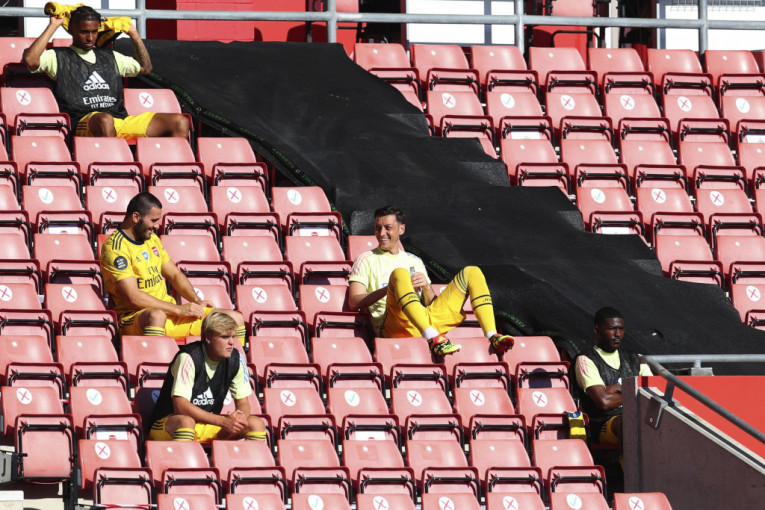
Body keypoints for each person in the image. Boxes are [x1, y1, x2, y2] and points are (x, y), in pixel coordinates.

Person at [349, 205, 515, 356]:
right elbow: (354, 302)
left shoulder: (415, 261)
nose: (381, 233)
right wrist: (391, 288)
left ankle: (492, 335)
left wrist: (427, 287)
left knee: (473, 272)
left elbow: (431, 304)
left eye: (388, 228)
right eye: (378, 228)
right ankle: (433, 338)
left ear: (401, 229)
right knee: (399, 274)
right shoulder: (366, 259)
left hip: (423, 320)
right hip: (392, 326)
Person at [22, 5, 189, 139]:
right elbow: (30, 60)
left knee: (179, 122)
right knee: (104, 120)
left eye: (94, 32)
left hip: (119, 120)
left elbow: (145, 67)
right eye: (84, 32)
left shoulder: (110, 56)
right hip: (84, 121)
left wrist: (133, 33)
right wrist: (53, 26)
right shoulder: (58, 56)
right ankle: (114, 168)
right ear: (71, 29)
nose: (90, 38)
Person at [100, 191, 246, 342]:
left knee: (234, 318)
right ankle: (156, 357)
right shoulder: (115, 248)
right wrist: (178, 309)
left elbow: (175, 275)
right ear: (136, 217)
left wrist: (196, 300)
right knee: (156, 316)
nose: (157, 226)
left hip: (170, 314)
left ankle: (238, 358)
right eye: (153, 220)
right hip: (136, 317)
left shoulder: (152, 239)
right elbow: (133, 297)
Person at [149, 311, 266, 442]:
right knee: (186, 422)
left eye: (233, 336)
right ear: (208, 338)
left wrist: (239, 416)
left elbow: (243, 402)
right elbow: (180, 406)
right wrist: (222, 421)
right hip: (170, 424)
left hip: (208, 424)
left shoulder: (236, 358)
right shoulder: (188, 357)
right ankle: (184, 456)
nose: (231, 342)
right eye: (225, 337)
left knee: (256, 424)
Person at [575, 306, 652, 464]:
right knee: (628, 423)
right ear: (597, 329)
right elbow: (603, 402)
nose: (618, 334)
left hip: (639, 415)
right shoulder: (585, 359)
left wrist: (615, 390)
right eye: (612, 329)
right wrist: (635, 393)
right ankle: (630, 473)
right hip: (604, 422)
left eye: (621, 329)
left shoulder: (636, 359)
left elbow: (653, 393)